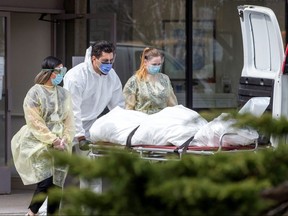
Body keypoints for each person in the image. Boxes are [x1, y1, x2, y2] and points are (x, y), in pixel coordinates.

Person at [11, 56, 75, 216]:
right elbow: (34, 120)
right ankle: (32, 212)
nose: (61, 74)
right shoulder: (35, 92)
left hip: (61, 143)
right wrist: (52, 139)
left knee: (57, 183)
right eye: (59, 71)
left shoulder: (64, 94)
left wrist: (65, 139)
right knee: (46, 181)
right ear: (49, 72)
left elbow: (69, 119)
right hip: (39, 142)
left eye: (63, 70)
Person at [63, 40, 124, 151]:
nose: (109, 65)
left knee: (87, 164)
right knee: (63, 163)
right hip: (67, 124)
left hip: (91, 124)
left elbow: (118, 106)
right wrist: (80, 137)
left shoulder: (112, 76)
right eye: (105, 61)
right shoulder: (76, 76)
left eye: (111, 61)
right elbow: (72, 109)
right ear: (94, 58)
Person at [123, 47, 178, 114]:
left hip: (163, 120)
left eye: (159, 64)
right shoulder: (134, 81)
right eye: (154, 64)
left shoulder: (164, 79)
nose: (157, 67)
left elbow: (172, 103)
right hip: (142, 120)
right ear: (145, 62)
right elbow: (128, 107)